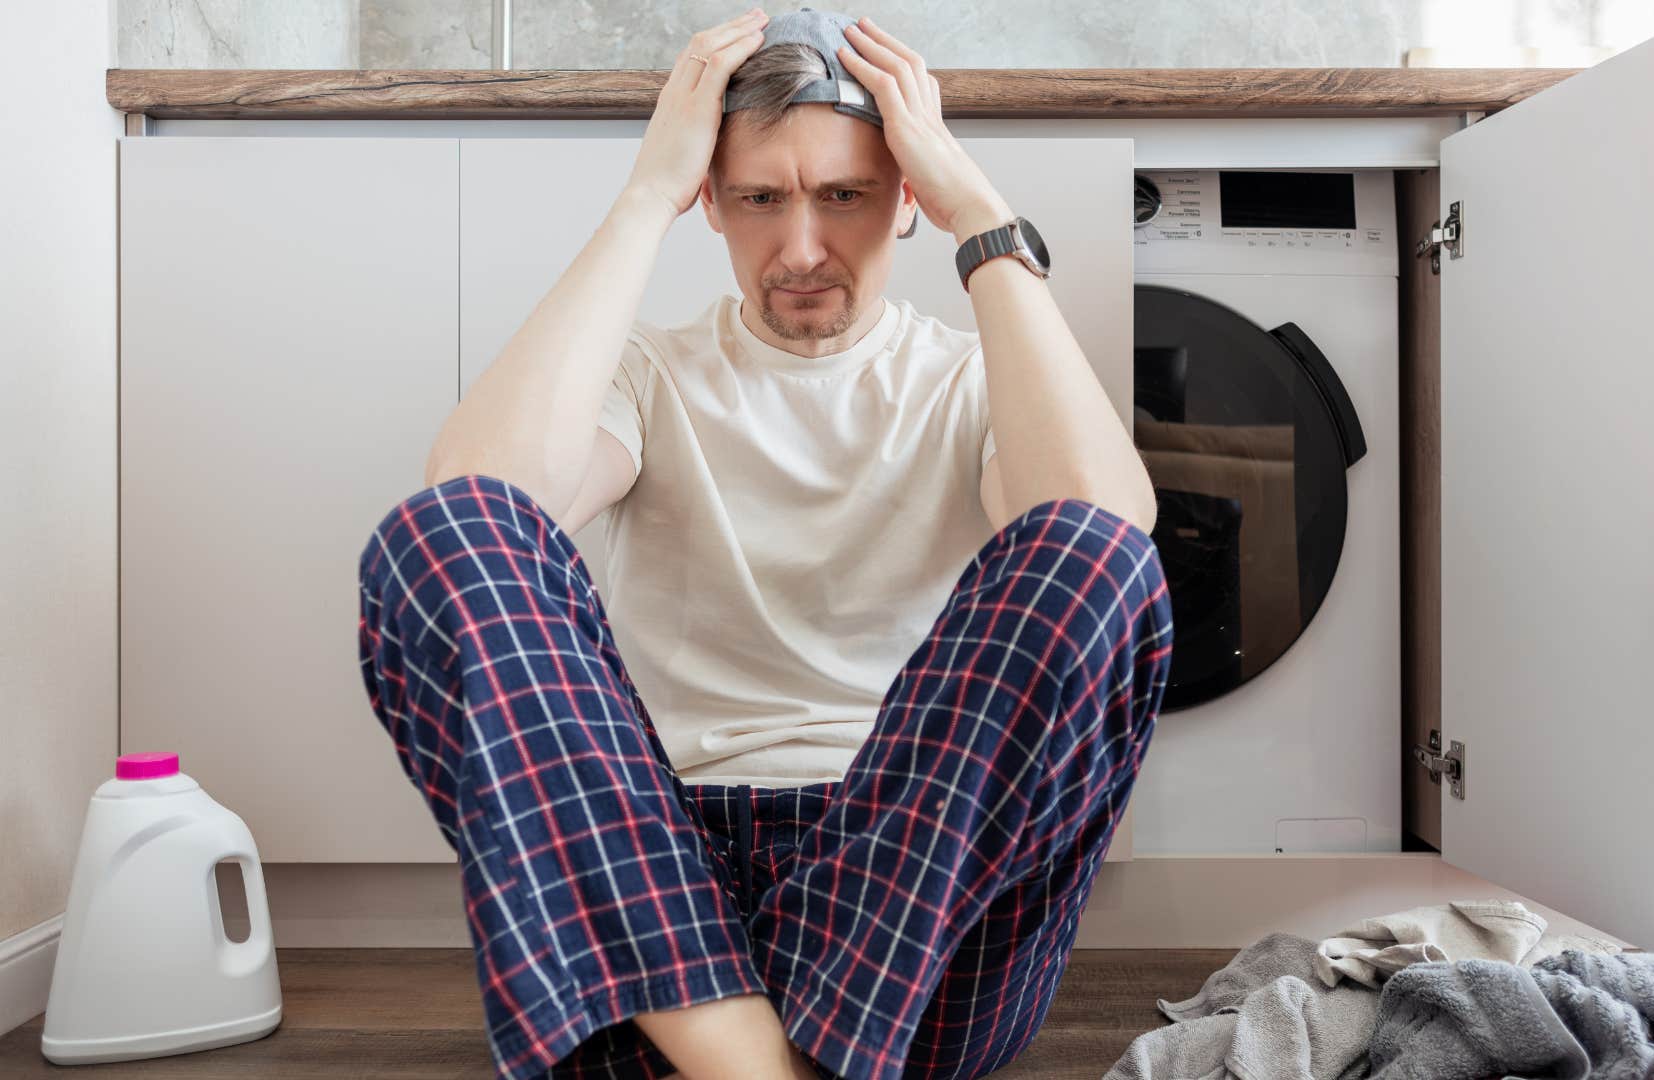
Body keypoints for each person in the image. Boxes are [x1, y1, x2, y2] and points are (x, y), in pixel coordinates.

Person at [355, 7, 1172, 1079]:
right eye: (759, 198)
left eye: (844, 195)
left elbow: (1106, 533)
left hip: (910, 900)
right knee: (443, 529)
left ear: (906, 195)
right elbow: (482, 501)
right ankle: (751, 1057)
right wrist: (648, 192)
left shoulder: (979, 382)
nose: (799, 250)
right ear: (713, 199)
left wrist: (978, 208)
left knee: (1093, 550)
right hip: (654, 892)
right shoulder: (652, 375)